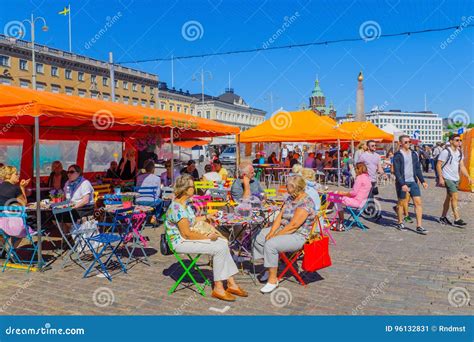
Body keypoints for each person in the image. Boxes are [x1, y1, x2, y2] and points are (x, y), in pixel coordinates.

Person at [165, 175, 247, 301]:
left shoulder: (184, 204)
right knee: (219, 247)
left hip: (187, 236)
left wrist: (207, 216)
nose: (195, 188)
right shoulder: (177, 208)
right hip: (180, 242)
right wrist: (208, 236)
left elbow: (191, 221)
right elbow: (186, 233)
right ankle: (219, 288)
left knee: (223, 242)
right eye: (193, 186)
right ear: (186, 189)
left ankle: (231, 283)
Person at [253, 175, 316, 293]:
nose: (285, 187)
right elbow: (280, 216)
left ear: (295, 188)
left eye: (288, 185)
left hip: (298, 235)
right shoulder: (290, 198)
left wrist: (275, 235)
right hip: (284, 228)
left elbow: (294, 226)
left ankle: (273, 280)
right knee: (259, 236)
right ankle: (269, 267)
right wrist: (271, 231)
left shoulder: (306, 202)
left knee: (271, 244)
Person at [393, 135, 428, 234]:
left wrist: (423, 181)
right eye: (406, 142)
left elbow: (417, 169)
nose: (409, 144)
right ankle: (400, 222)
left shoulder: (414, 154)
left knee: (418, 203)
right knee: (401, 203)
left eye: (409, 142)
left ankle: (419, 226)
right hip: (402, 183)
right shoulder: (398, 155)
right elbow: (397, 171)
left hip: (413, 182)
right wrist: (402, 184)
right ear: (400, 143)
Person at [437, 134, 472, 227]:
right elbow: (438, 164)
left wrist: (468, 176)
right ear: (451, 141)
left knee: (449, 198)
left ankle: (443, 217)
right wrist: (440, 177)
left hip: (456, 178)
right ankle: (457, 218)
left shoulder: (459, 152)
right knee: (455, 197)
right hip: (447, 178)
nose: (459, 142)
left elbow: (462, 166)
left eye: (460, 140)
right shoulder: (445, 152)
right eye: (457, 140)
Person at [330, 162, 372, 231]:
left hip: (356, 201)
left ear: (358, 169)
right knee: (335, 196)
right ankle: (330, 211)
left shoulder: (359, 178)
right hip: (363, 202)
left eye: (355, 169)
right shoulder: (367, 178)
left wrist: (342, 193)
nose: (355, 171)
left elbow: (353, 193)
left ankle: (340, 220)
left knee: (335, 197)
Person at [0, 166, 33, 240]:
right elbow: (23, 203)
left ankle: (8, 250)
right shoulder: (15, 188)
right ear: (8, 176)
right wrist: (22, 187)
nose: (19, 175)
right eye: (16, 174)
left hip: (1, 224)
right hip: (14, 225)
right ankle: (11, 250)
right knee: (24, 227)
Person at [358, 140, 383, 219]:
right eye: (372, 146)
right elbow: (358, 167)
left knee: (369, 196)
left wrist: (383, 173)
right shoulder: (363, 156)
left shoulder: (377, 156)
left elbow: (379, 167)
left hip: (373, 179)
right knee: (370, 197)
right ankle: (374, 213)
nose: (374, 147)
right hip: (365, 179)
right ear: (368, 147)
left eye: (375, 145)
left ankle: (367, 210)